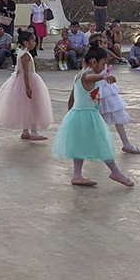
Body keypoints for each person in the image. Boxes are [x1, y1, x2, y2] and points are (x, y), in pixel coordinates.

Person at [53, 42, 134, 187]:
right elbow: (90, 78)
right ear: (93, 62)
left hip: (78, 115)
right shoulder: (87, 75)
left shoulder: (78, 75)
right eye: (103, 64)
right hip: (87, 116)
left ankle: (77, 175)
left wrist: (70, 113)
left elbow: (72, 97)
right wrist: (103, 77)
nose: (104, 67)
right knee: (102, 142)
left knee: (79, 145)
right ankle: (115, 172)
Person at [0, 31, 53, 141]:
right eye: (33, 41)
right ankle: (33, 131)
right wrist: (28, 87)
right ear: (26, 43)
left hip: (21, 81)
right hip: (29, 81)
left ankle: (25, 131)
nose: (35, 43)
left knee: (25, 106)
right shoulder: (26, 55)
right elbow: (26, 72)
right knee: (34, 106)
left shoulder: (21, 53)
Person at [96, 64, 140, 155]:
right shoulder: (93, 60)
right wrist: (104, 76)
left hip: (107, 88)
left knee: (116, 114)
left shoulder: (103, 59)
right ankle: (98, 145)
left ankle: (126, 144)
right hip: (98, 88)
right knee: (98, 118)